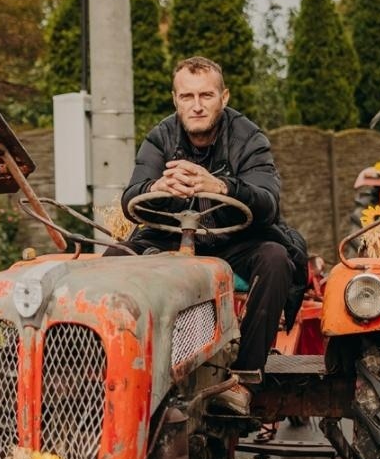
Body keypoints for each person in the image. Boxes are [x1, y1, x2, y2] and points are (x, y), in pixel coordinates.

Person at [112, 55, 308, 416]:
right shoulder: (159, 138)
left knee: (277, 258)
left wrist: (222, 186)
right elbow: (130, 198)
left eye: (206, 95)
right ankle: (113, 368)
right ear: (176, 100)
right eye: (187, 97)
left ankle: (244, 378)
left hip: (235, 240)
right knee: (113, 260)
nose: (197, 106)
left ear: (224, 97)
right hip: (171, 237)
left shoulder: (249, 138)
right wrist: (157, 186)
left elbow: (267, 201)